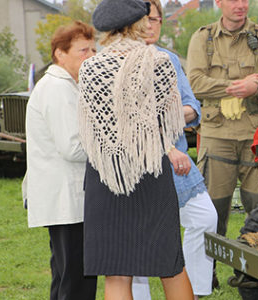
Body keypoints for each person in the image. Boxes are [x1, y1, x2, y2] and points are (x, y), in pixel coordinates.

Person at [78, 0, 194, 299]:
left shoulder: (90, 67)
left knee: (116, 272)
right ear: (139, 23)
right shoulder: (159, 62)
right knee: (170, 265)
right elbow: (168, 124)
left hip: (107, 175)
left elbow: (89, 129)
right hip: (150, 171)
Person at [131, 1, 218, 299]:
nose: (152, 25)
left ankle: (194, 291)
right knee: (140, 239)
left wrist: (168, 115)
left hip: (178, 161)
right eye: (146, 19)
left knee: (205, 218)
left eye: (157, 19)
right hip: (138, 165)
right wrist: (169, 116)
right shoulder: (120, 61)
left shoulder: (168, 58)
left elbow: (193, 106)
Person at [186, 0, 258, 237]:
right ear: (219, 3)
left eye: (245, 0)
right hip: (217, 137)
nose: (241, 5)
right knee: (212, 214)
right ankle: (208, 274)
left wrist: (257, 88)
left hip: (255, 137)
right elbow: (194, 83)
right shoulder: (203, 38)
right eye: (234, 0)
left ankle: (255, 271)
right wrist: (236, 87)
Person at [24, 21, 98, 300]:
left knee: (67, 277)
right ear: (60, 54)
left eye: (93, 49)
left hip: (68, 198)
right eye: (82, 50)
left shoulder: (65, 85)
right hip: (67, 200)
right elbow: (73, 148)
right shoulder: (58, 88)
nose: (90, 56)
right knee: (76, 280)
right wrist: (109, 148)